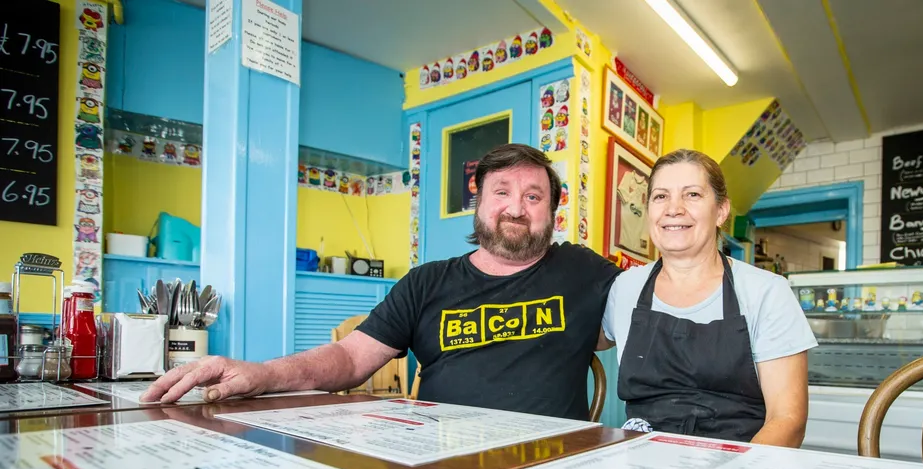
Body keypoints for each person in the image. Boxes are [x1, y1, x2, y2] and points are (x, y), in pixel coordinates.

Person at [143, 144, 621, 419]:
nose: (516, 207)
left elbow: (650, 303)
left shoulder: (580, 270)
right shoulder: (426, 282)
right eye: (502, 192)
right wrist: (262, 374)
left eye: (534, 196)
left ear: (552, 212)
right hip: (439, 465)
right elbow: (351, 358)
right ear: (479, 202)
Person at [600, 149, 817, 445]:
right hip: (642, 459)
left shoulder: (767, 292)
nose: (674, 209)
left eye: (692, 195)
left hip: (739, 461)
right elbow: (582, 340)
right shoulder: (625, 287)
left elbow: (788, 420)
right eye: (661, 196)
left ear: (721, 210)